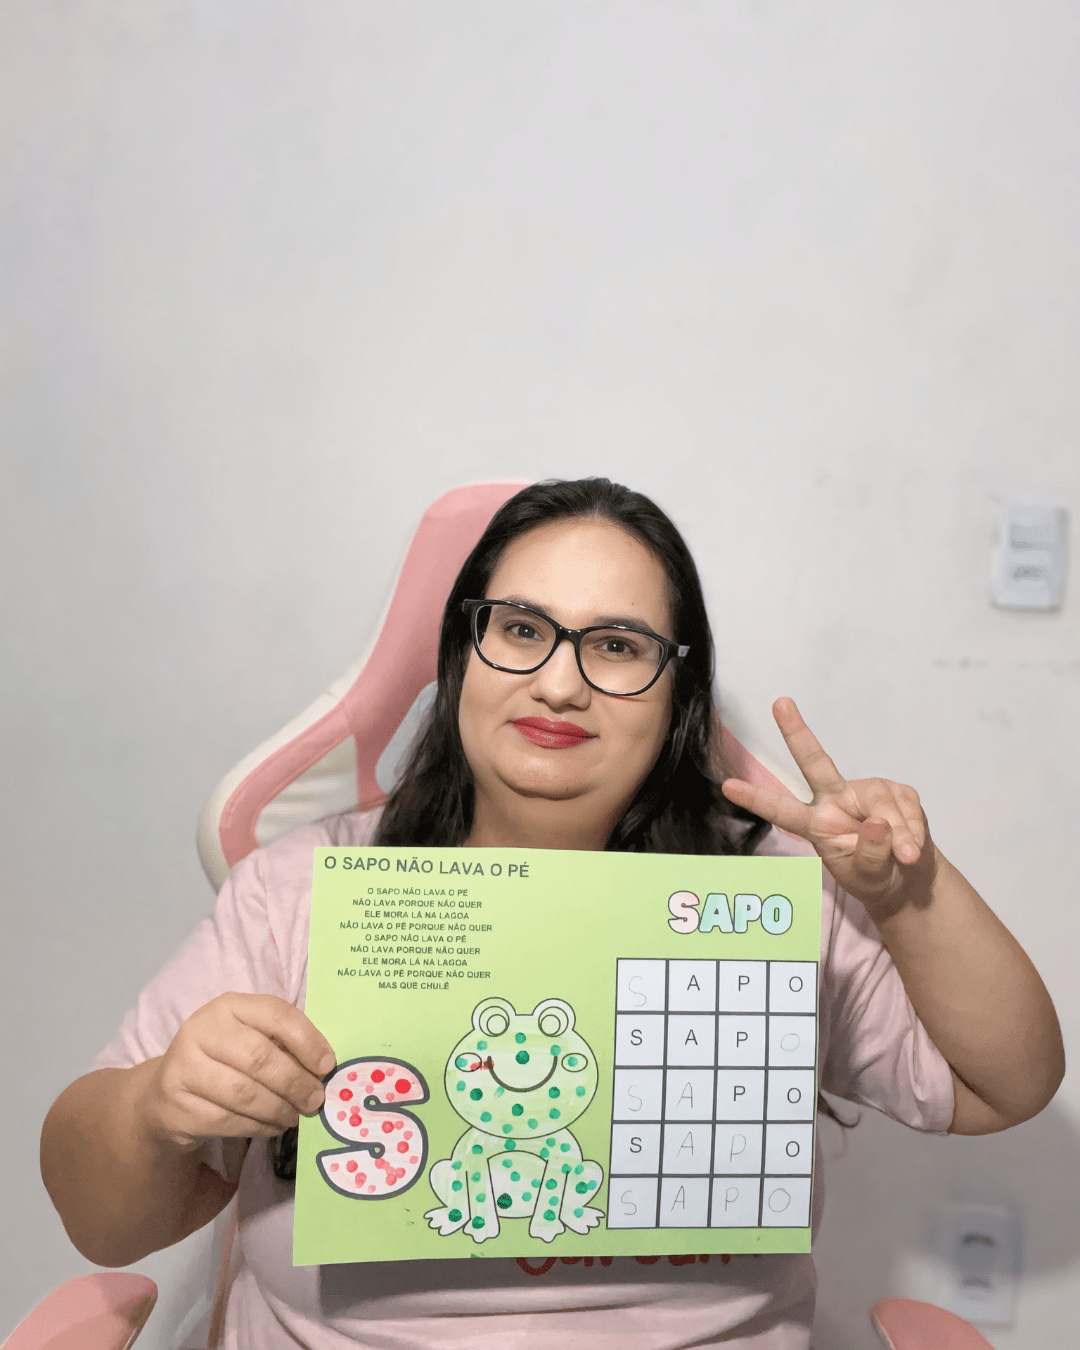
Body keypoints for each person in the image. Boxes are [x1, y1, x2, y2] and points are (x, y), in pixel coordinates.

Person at [41, 478, 1064, 1349]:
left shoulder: (758, 902)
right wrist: (157, 1105)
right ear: (463, 655)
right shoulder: (299, 891)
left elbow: (1005, 1085)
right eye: (522, 630)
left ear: (677, 694)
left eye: (616, 645)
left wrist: (902, 892)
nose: (561, 683)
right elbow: (102, 1222)